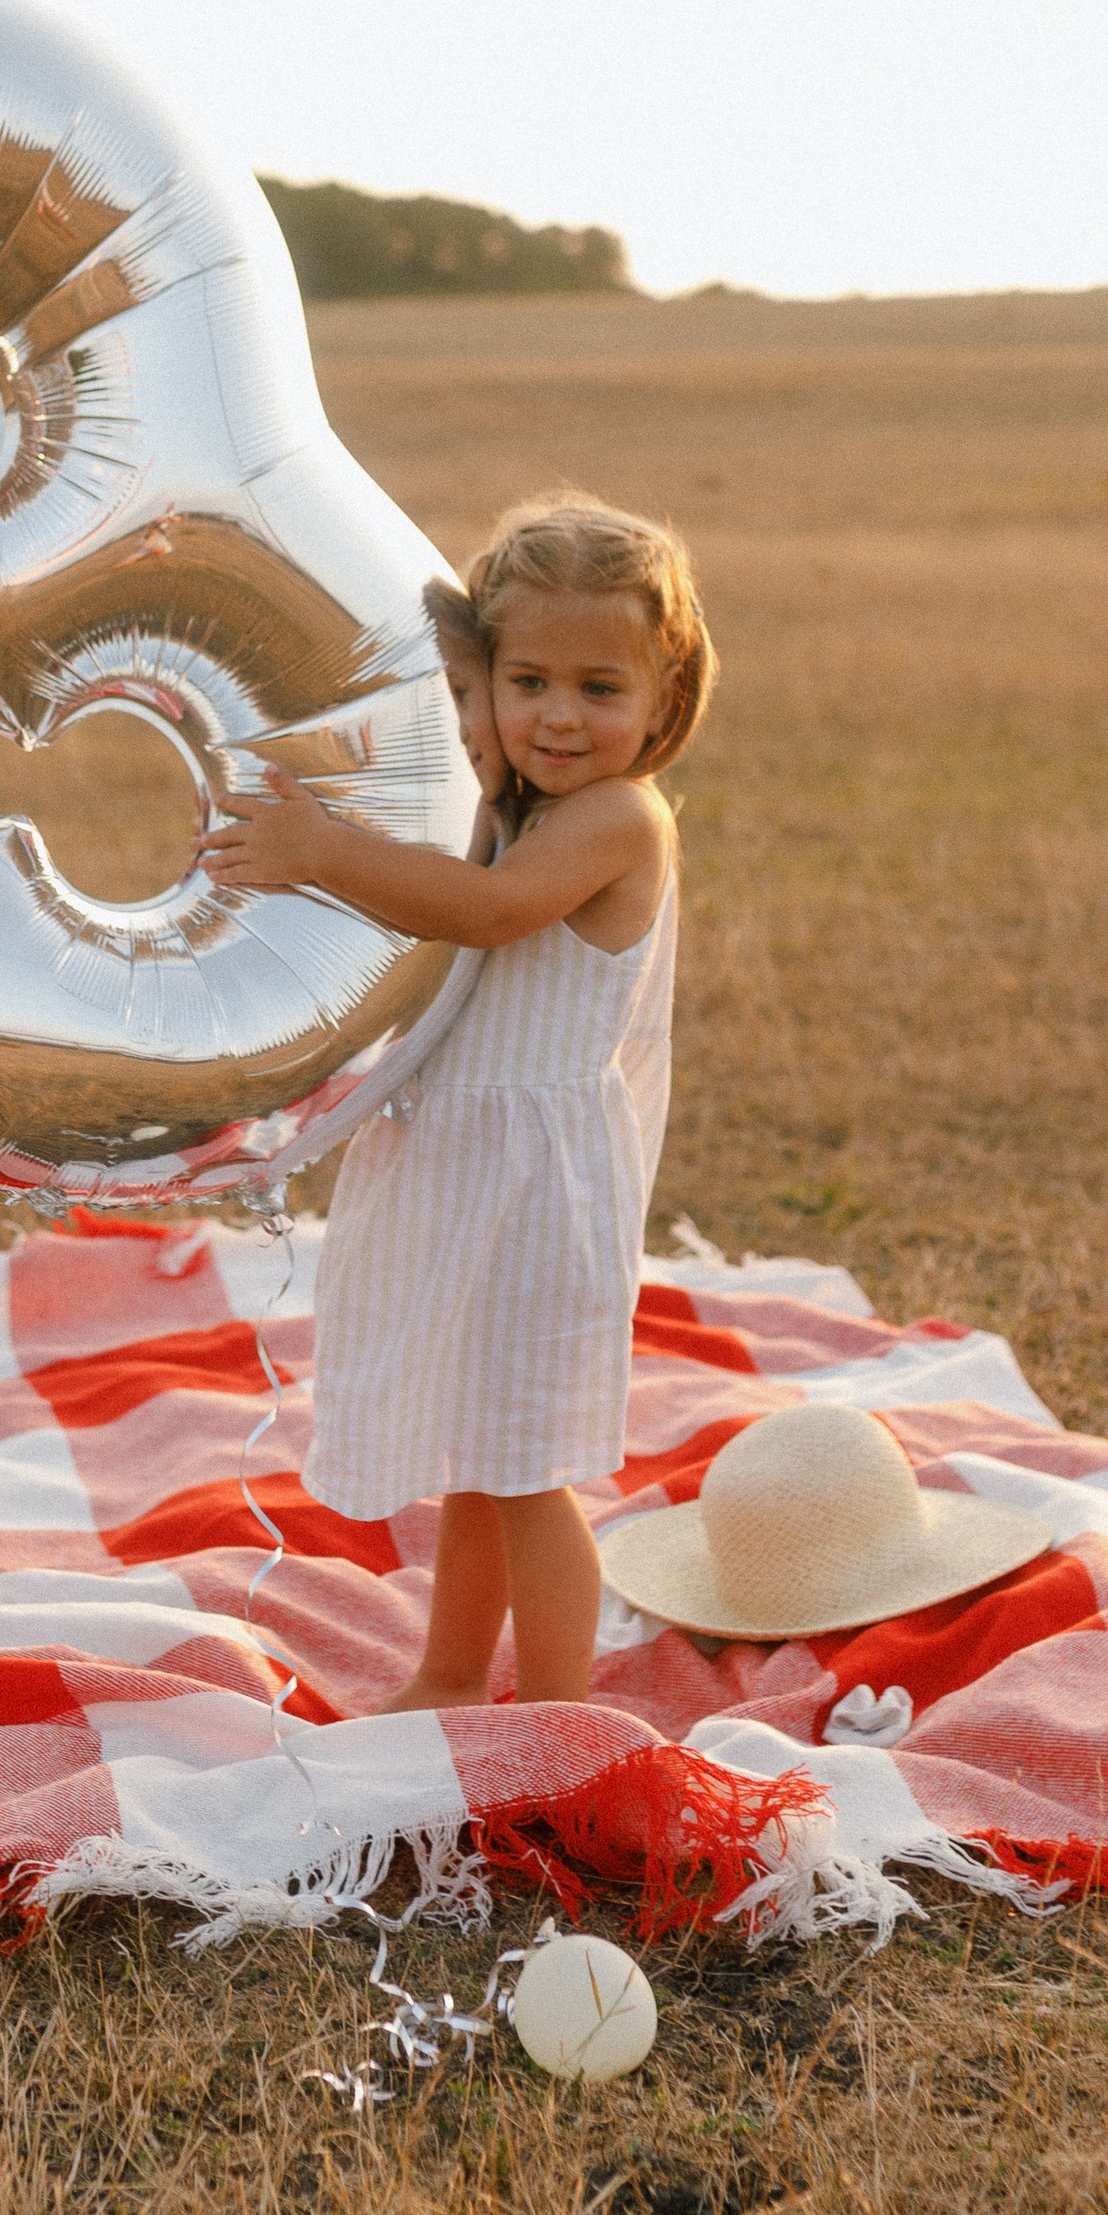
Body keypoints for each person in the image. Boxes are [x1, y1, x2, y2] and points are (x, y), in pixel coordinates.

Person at [200, 491, 714, 1708]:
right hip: (460, 1170)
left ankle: (552, 1711)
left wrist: (324, 849)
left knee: (526, 1469)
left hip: (538, 1189)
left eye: (601, 688)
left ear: (665, 698)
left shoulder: (613, 821)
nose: (560, 715)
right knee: (474, 1460)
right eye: (527, 679)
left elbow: (478, 913)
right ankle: (446, 1673)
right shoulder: (510, 810)